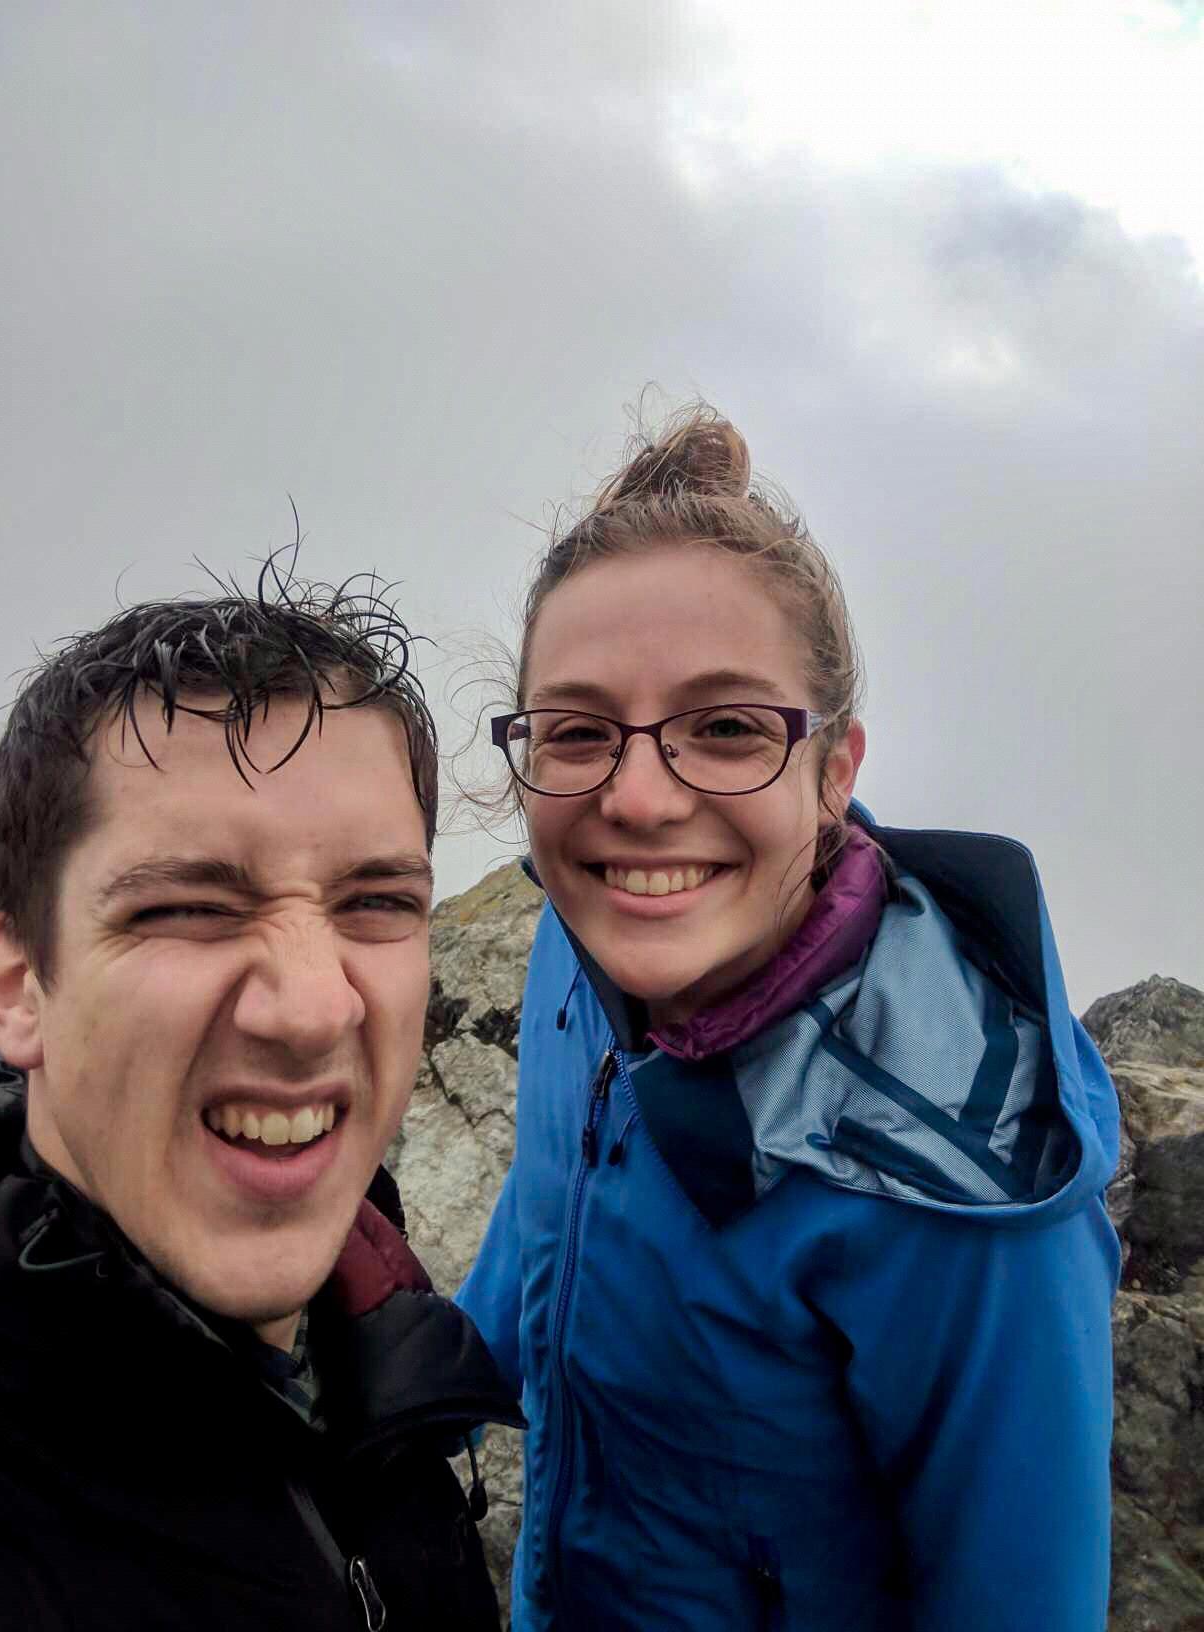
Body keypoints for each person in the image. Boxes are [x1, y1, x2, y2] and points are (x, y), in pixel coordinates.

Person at [457, 406, 1121, 1631]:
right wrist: (416, 1370)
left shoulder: (962, 1193)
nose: (638, 800)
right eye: (580, 732)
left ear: (835, 770)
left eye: (725, 729)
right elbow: (553, 1207)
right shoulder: (577, 945)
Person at [0, 561, 522, 1631]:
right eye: (188, 907)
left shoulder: (380, 1354)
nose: (313, 1008)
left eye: (375, 901)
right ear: (15, 986)